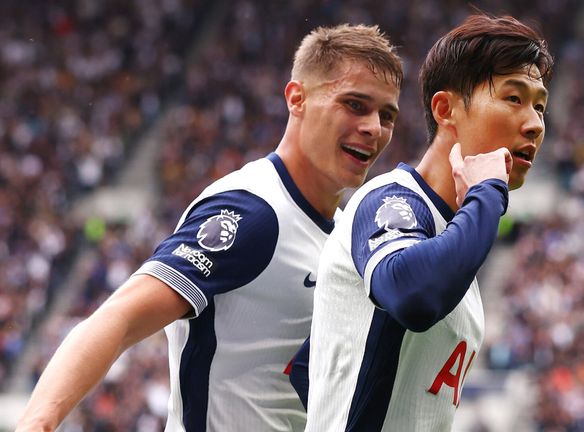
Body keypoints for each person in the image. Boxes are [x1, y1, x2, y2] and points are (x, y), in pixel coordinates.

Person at [16, 23, 402, 432]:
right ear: (297, 98)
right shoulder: (252, 212)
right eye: (355, 105)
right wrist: (39, 421)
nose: (375, 128)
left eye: (387, 114)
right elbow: (120, 318)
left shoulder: (345, 236)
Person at [290, 13, 554, 431]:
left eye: (540, 106)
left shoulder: (458, 248)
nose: (535, 124)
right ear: (446, 108)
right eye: (514, 99)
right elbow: (413, 295)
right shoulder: (392, 201)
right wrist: (487, 192)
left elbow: (314, 365)